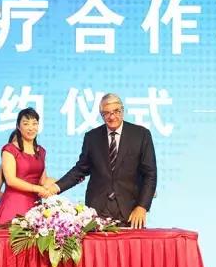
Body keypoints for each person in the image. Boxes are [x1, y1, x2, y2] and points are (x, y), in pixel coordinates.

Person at [48, 93, 157, 228]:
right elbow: (80, 169)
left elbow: (150, 174)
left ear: (122, 111)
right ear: (101, 115)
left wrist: (142, 206)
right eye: (106, 113)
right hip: (97, 210)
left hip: (130, 209)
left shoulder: (141, 135)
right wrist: (56, 187)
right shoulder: (92, 137)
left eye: (116, 111)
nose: (112, 116)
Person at [0, 108, 53, 225]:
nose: (31, 128)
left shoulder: (41, 151)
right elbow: (11, 180)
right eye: (26, 124)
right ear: (18, 126)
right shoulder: (9, 149)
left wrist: (69, 180)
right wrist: (37, 189)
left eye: (34, 123)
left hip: (35, 208)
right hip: (14, 205)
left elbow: (43, 181)